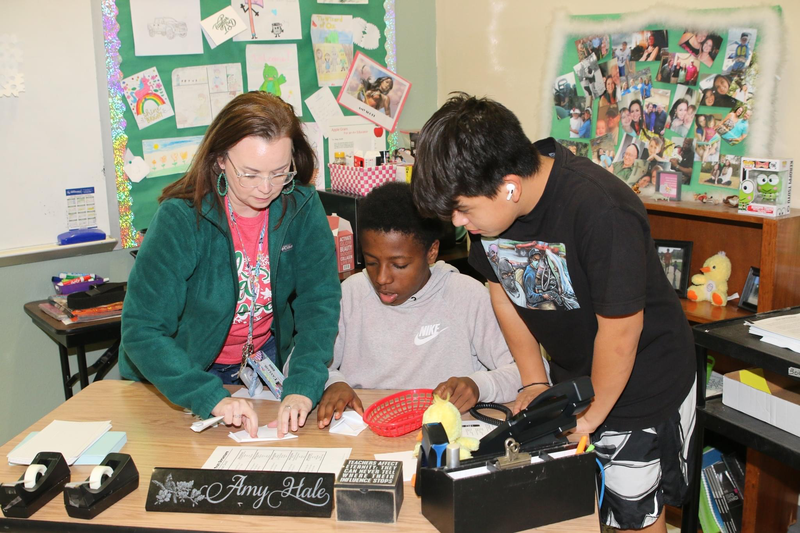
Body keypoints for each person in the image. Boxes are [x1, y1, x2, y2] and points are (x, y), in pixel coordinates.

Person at [411, 93, 696, 533]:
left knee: (634, 514)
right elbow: (503, 291)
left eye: (463, 210)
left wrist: (591, 417)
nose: (458, 224)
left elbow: (621, 334)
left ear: (510, 185)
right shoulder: (494, 216)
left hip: (641, 380)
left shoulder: (602, 210)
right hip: (577, 378)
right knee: (581, 507)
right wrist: (534, 380)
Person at [121, 92, 342, 438]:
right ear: (221, 159)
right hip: (184, 375)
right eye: (250, 174)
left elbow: (320, 302)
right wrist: (209, 396)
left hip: (263, 368)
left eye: (280, 172)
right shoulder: (181, 218)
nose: (267, 188)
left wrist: (302, 384)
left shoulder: (301, 206)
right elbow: (143, 330)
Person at [317, 183, 522, 425]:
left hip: (442, 432)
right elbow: (300, 365)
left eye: (399, 265)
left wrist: (478, 385)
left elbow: (527, 372)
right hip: (366, 431)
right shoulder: (351, 294)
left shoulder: (466, 296)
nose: (382, 278)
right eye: (371, 262)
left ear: (432, 252)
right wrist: (333, 383)